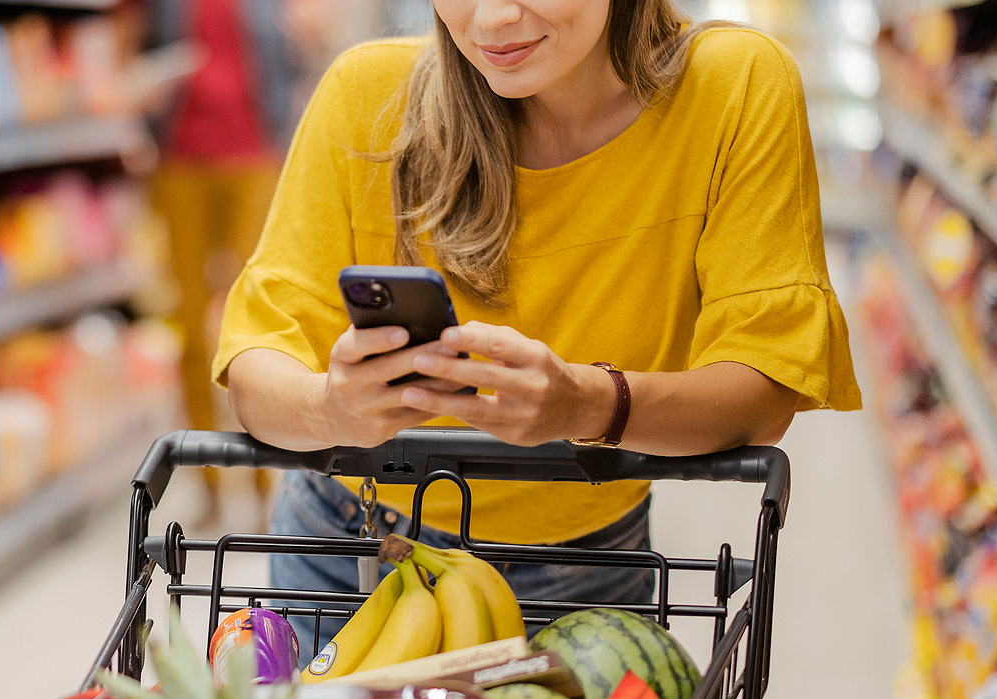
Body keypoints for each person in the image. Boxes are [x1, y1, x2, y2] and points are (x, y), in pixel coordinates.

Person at [213, 0, 861, 652]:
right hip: (344, 551)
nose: (492, 18)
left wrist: (587, 402)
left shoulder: (732, 88)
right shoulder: (367, 96)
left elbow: (764, 389)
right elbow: (254, 368)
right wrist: (330, 411)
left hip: (584, 573)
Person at [143, 0, 300, 522]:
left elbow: (288, 64)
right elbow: (139, 59)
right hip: (180, 163)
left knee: (253, 326)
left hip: (254, 160)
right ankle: (207, 480)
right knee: (188, 327)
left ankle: (260, 484)